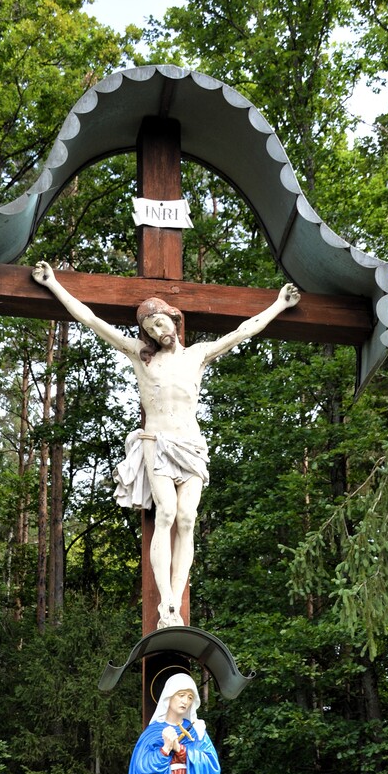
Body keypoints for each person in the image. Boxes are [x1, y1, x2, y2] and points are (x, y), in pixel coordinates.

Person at [32, 261, 300, 627]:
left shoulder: (197, 355)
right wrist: (53, 284)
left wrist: (279, 305)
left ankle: (177, 602)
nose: (159, 332)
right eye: (151, 329)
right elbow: (91, 320)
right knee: (167, 513)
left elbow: (243, 331)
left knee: (187, 518)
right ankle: (166, 604)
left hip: (191, 445)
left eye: (161, 323)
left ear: (174, 318)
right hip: (155, 443)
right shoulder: (141, 357)